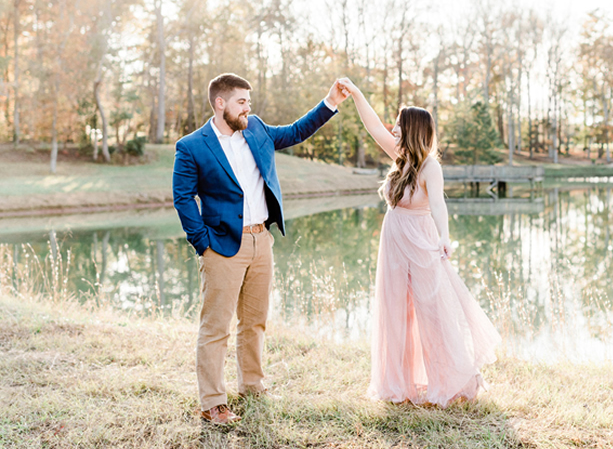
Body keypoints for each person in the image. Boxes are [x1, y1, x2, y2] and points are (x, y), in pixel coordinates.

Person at [173, 73, 347, 425]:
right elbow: (183, 198)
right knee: (216, 327)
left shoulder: (257, 130)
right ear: (220, 104)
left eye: (248, 102)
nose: (248, 108)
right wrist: (202, 243)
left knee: (255, 322)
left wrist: (330, 102)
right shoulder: (191, 146)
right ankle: (212, 403)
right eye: (241, 102)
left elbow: (297, 131)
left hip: (260, 241)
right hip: (222, 246)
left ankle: (252, 385)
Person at [337, 77, 501, 407]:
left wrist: (444, 237)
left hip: (421, 241)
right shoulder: (399, 157)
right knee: (395, 310)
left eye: (398, 125)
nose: (393, 129)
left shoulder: (430, 166)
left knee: (432, 310)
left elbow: (439, 205)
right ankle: (398, 385)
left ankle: (449, 381)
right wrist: (355, 94)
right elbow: (371, 126)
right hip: (394, 242)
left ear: (412, 129)